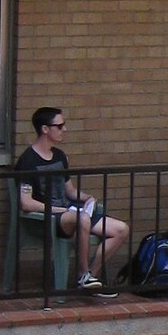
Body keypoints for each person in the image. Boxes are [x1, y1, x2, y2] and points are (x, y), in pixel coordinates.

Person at [14, 106, 130, 290]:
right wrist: (59, 210)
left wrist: (87, 198)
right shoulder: (28, 161)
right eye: (59, 126)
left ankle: (91, 275)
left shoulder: (60, 156)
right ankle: (82, 274)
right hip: (48, 217)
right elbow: (26, 202)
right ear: (45, 129)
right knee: (82, 218)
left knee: (121, 229)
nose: (64, 130)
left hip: (70, 213)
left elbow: (69, 190)